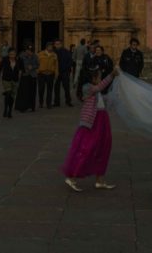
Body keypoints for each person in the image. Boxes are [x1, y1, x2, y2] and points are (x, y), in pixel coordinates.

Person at [61, 64, 120, 192]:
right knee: (87, 148)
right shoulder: (87, 87)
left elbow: (104, 98)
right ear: (93, 78)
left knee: (102, 148)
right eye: (98, 77)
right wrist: (111, 75)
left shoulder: (96, 90)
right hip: (92, 122)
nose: (100, 79)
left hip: (102, 120)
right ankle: (72, 177)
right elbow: (100, 86)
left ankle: (100, 180)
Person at [0, 47, 22, 119]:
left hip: (15, 80)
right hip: (6, 79)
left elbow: (22, 68)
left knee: (12, 96)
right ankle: (5, 109)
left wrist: (21, 73)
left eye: (13, 54)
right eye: (11, 54)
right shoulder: (5, 60)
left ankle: (10, 111)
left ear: (15, 54)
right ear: (8, 54)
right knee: (8, 92)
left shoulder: (19, 60)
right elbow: (0, 67)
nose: (12, 55)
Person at [17, 44, 38, 112]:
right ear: (26, 50)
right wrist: (25, 68)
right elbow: (19, 65)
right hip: (25, 75)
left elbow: (37, 64)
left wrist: (33, 67)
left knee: (32, 91)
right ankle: (23, 106)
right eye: (28, 50)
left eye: (31, 51)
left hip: (33, 75)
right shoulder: (21, 56)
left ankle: (32, 106)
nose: (30, 52)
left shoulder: (35, 56)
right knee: (24, 92)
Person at [53, 39, 73, 107]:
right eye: (56, 44)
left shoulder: (66, 51)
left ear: (61, 44)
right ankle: (56, 102)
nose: (57, 45)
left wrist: (67, 69)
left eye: (58, 44)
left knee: (66, 87)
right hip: (56, 73)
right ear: (54, 45)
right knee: (56, 88)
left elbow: (70, 61)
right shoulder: (53, 52)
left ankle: (68, 101)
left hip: (65, 72)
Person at [37, 42, 58, 109]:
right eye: (49, 47)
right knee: (41, 89)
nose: (50, 48)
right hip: (41, 74)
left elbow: (56, 65)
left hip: (50, 74)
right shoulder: (40, 54)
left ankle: (48, 104)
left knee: (50, 90)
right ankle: (41, 103)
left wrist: (56, 73)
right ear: (46, 47)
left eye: (51, 47)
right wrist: (37, 71)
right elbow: (37, 63)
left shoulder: (54, 55)